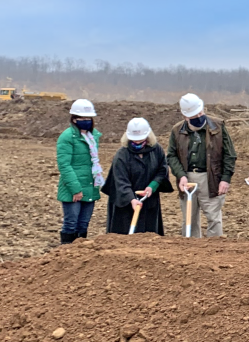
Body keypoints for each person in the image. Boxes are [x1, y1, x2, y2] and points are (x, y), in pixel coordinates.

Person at [167, 93, 237, 239]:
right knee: (189, 220)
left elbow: (229, 154)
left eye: (200, 112)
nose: (199, 116)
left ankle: (216, 250)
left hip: (211, 178)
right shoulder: (177, 130)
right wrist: (181, 176)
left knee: (214, 218)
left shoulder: (217, 126)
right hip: (187, 178)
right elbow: (172, 156)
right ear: (185, 116)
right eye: (194, 115)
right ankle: (191, 251)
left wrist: (225, 178)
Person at [104, 118, 172, 235]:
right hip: (124, 203)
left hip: (148, 200)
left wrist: (152, 186)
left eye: (141, 140)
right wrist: (131, 199)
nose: (138, 143)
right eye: (134, 141)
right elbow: (121, 181)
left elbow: (162, 170)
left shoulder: (156, 150)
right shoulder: (121, 155)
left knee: (149, 234)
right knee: (123, 234)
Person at [55, 99, 104, 244]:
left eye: (88, 118)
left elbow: (91, 163)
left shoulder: (93, 137)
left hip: (90, 185)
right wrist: (76, 189)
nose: (86, 121)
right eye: (82, 118)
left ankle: (79, 254)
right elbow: (64, 165)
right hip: (73, 188)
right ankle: (66, 252)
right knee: (71, 224)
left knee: (83, 225)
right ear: (74, 119)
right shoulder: (67, 137)